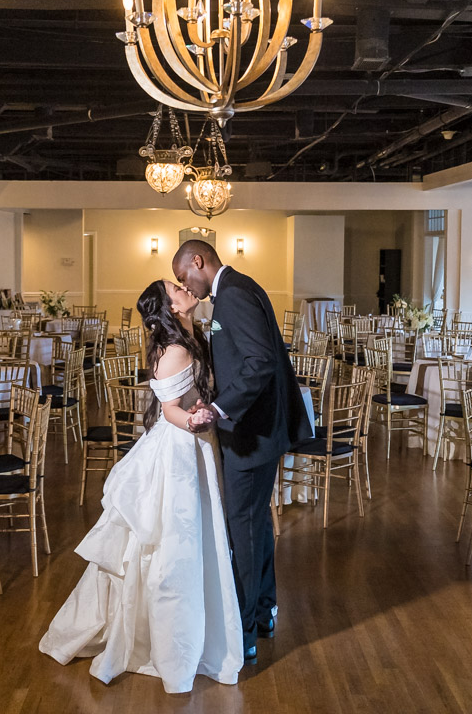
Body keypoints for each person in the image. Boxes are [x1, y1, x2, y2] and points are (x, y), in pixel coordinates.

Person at [39, 280, 243, 694]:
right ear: (170, 306)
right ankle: (167, 643)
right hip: (179, 453)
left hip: (198, 446)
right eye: (176, 286)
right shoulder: (174, 349)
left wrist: (204, 408)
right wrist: (193, 420)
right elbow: (169, 409)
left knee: (197, 539)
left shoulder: (194, 333)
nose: (185, 286)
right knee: (171, 547)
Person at [172, 239, 313, 666]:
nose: (186, 285)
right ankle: (265, 611)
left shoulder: (232, 294)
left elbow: (259, 361)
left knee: (244, 531)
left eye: (184, 277)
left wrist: (218, 408)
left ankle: (245, 631)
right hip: (256, 431)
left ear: (198, 261)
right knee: (254, 527)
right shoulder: (236, 288)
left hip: (250, 434)